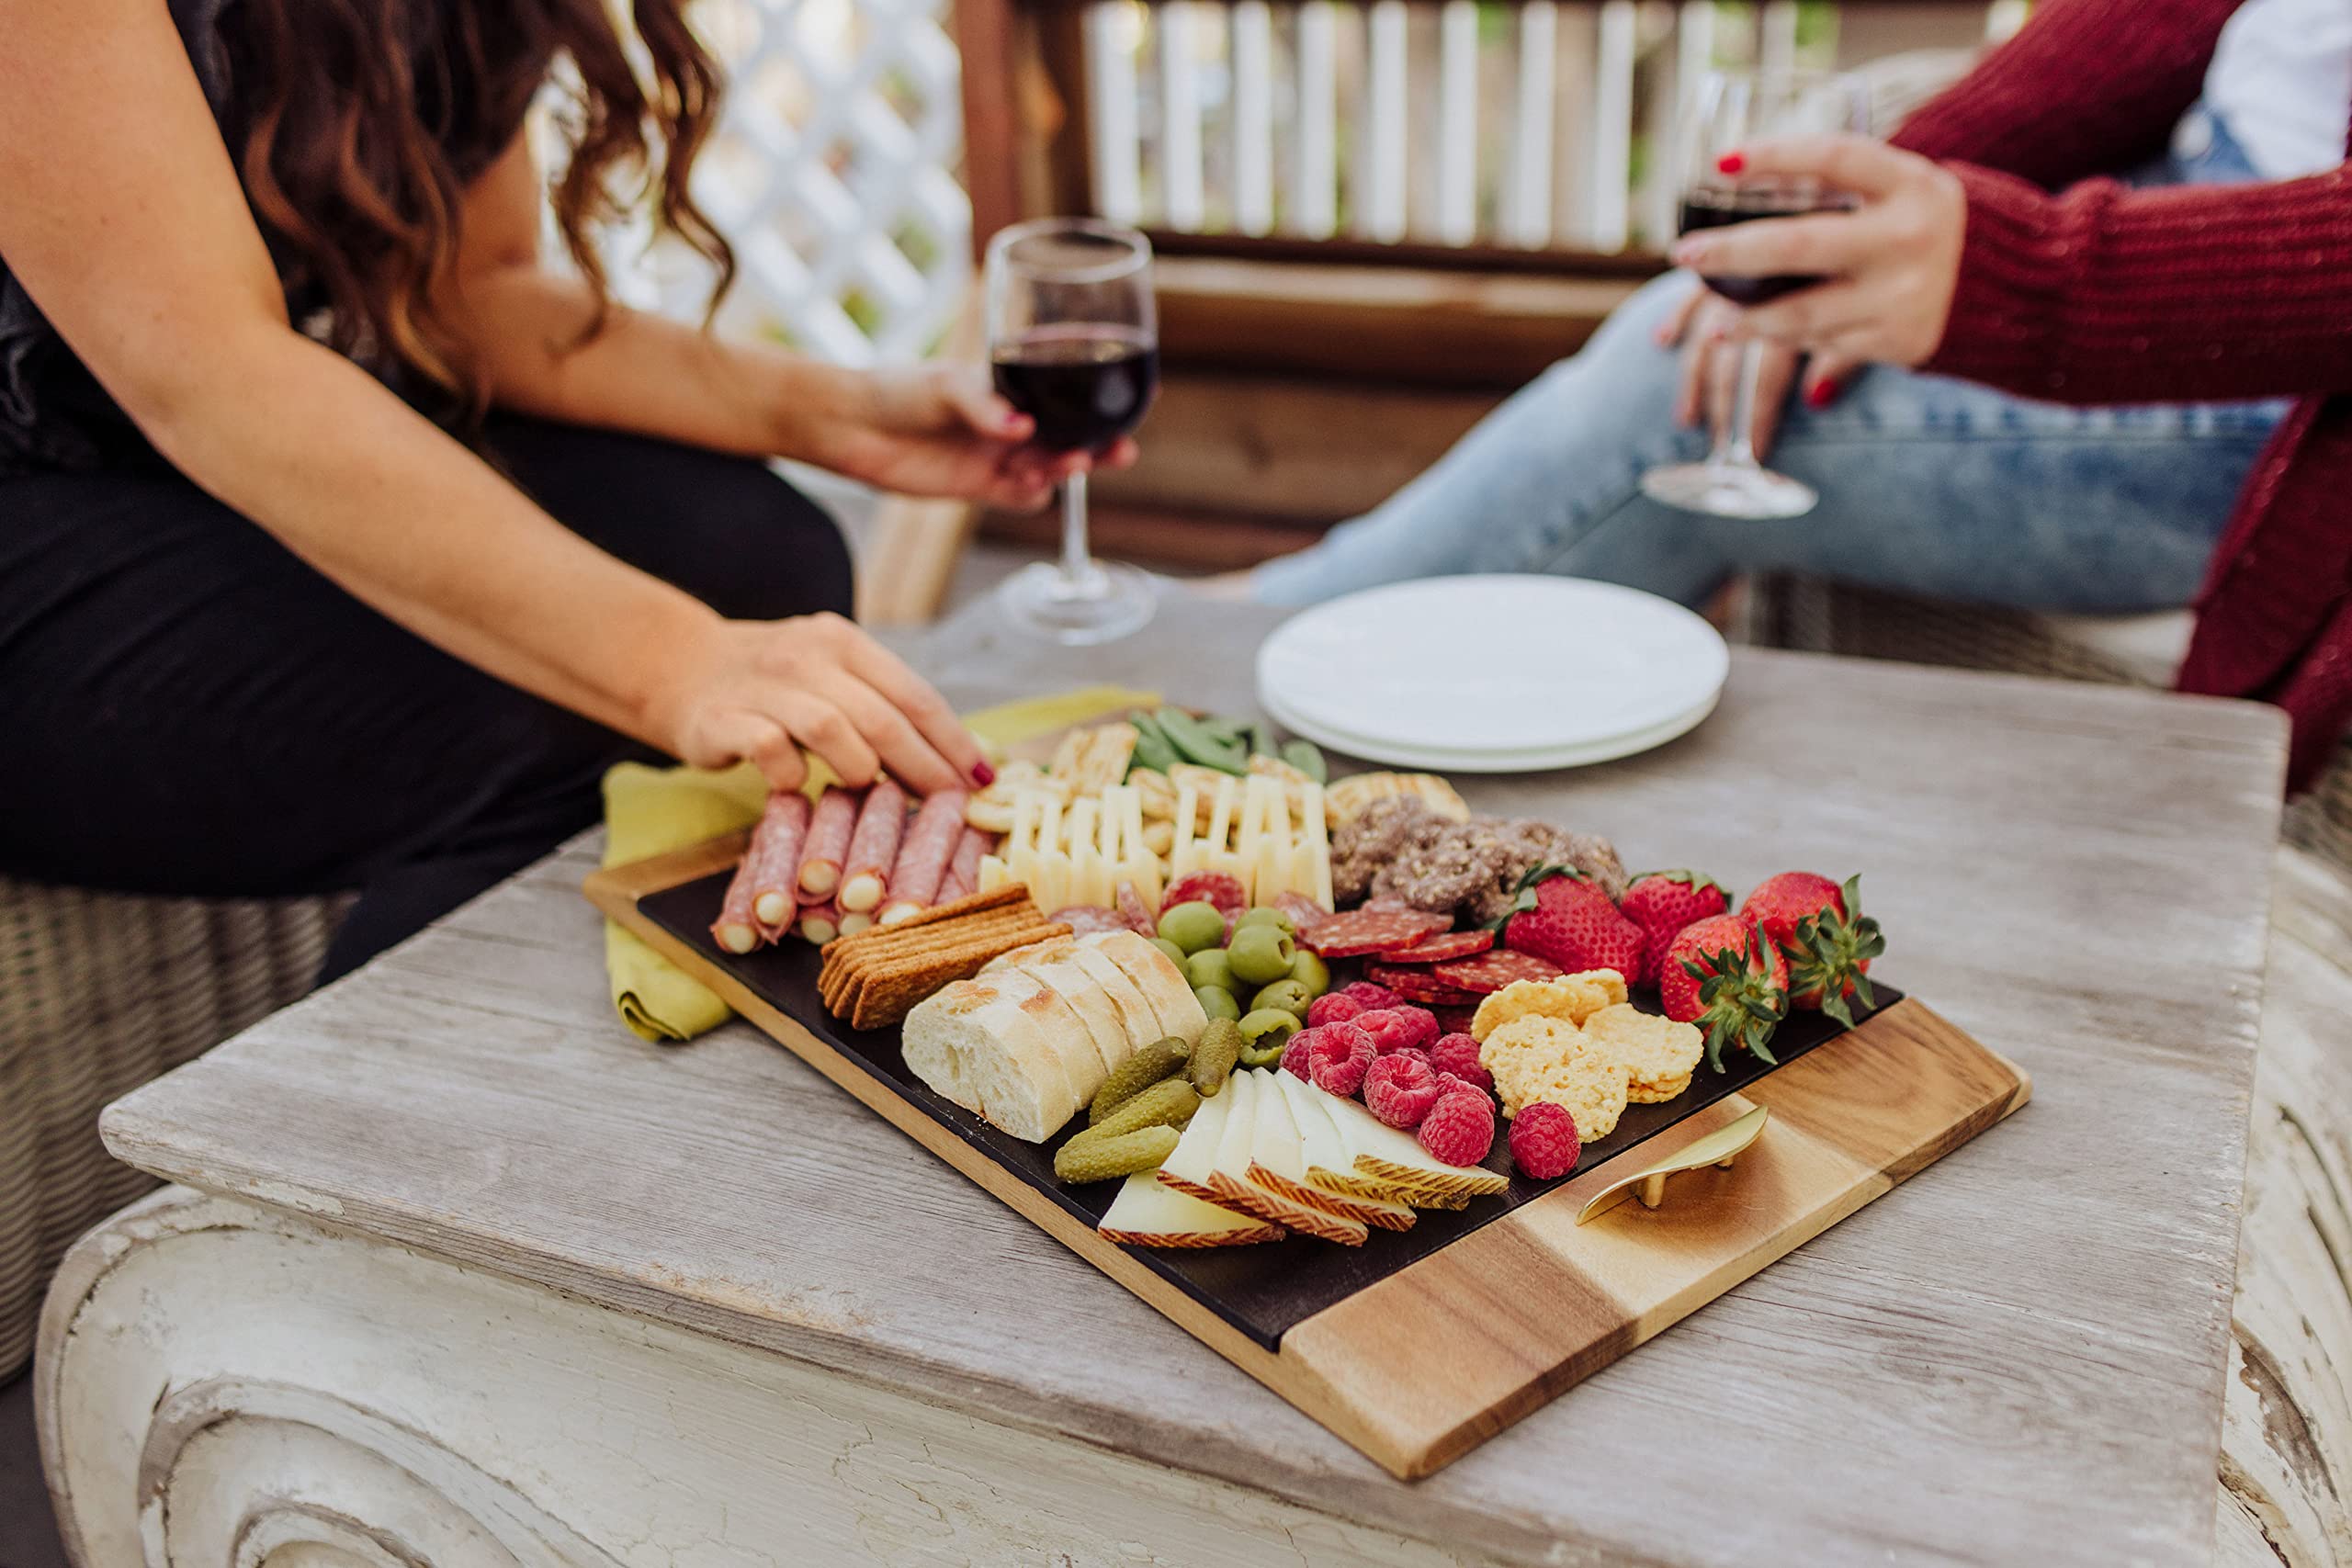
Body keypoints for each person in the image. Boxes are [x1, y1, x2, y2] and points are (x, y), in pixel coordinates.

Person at [0, 0, 1127, 978]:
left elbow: (476, 294)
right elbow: (207, 366)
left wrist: (844, 414)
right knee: (534, 704)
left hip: (151, 471)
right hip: (37, 514)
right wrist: (670, 664)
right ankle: (359, 1152)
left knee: (760, 554)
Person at [1248, 0, 2352, 789]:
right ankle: (1269, 649)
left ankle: (1234, 679)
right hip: (2176, 192)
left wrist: (2035, 280)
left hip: (2280, 362)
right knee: (1683, 346)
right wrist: (1858, 224)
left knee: (1663, 400)